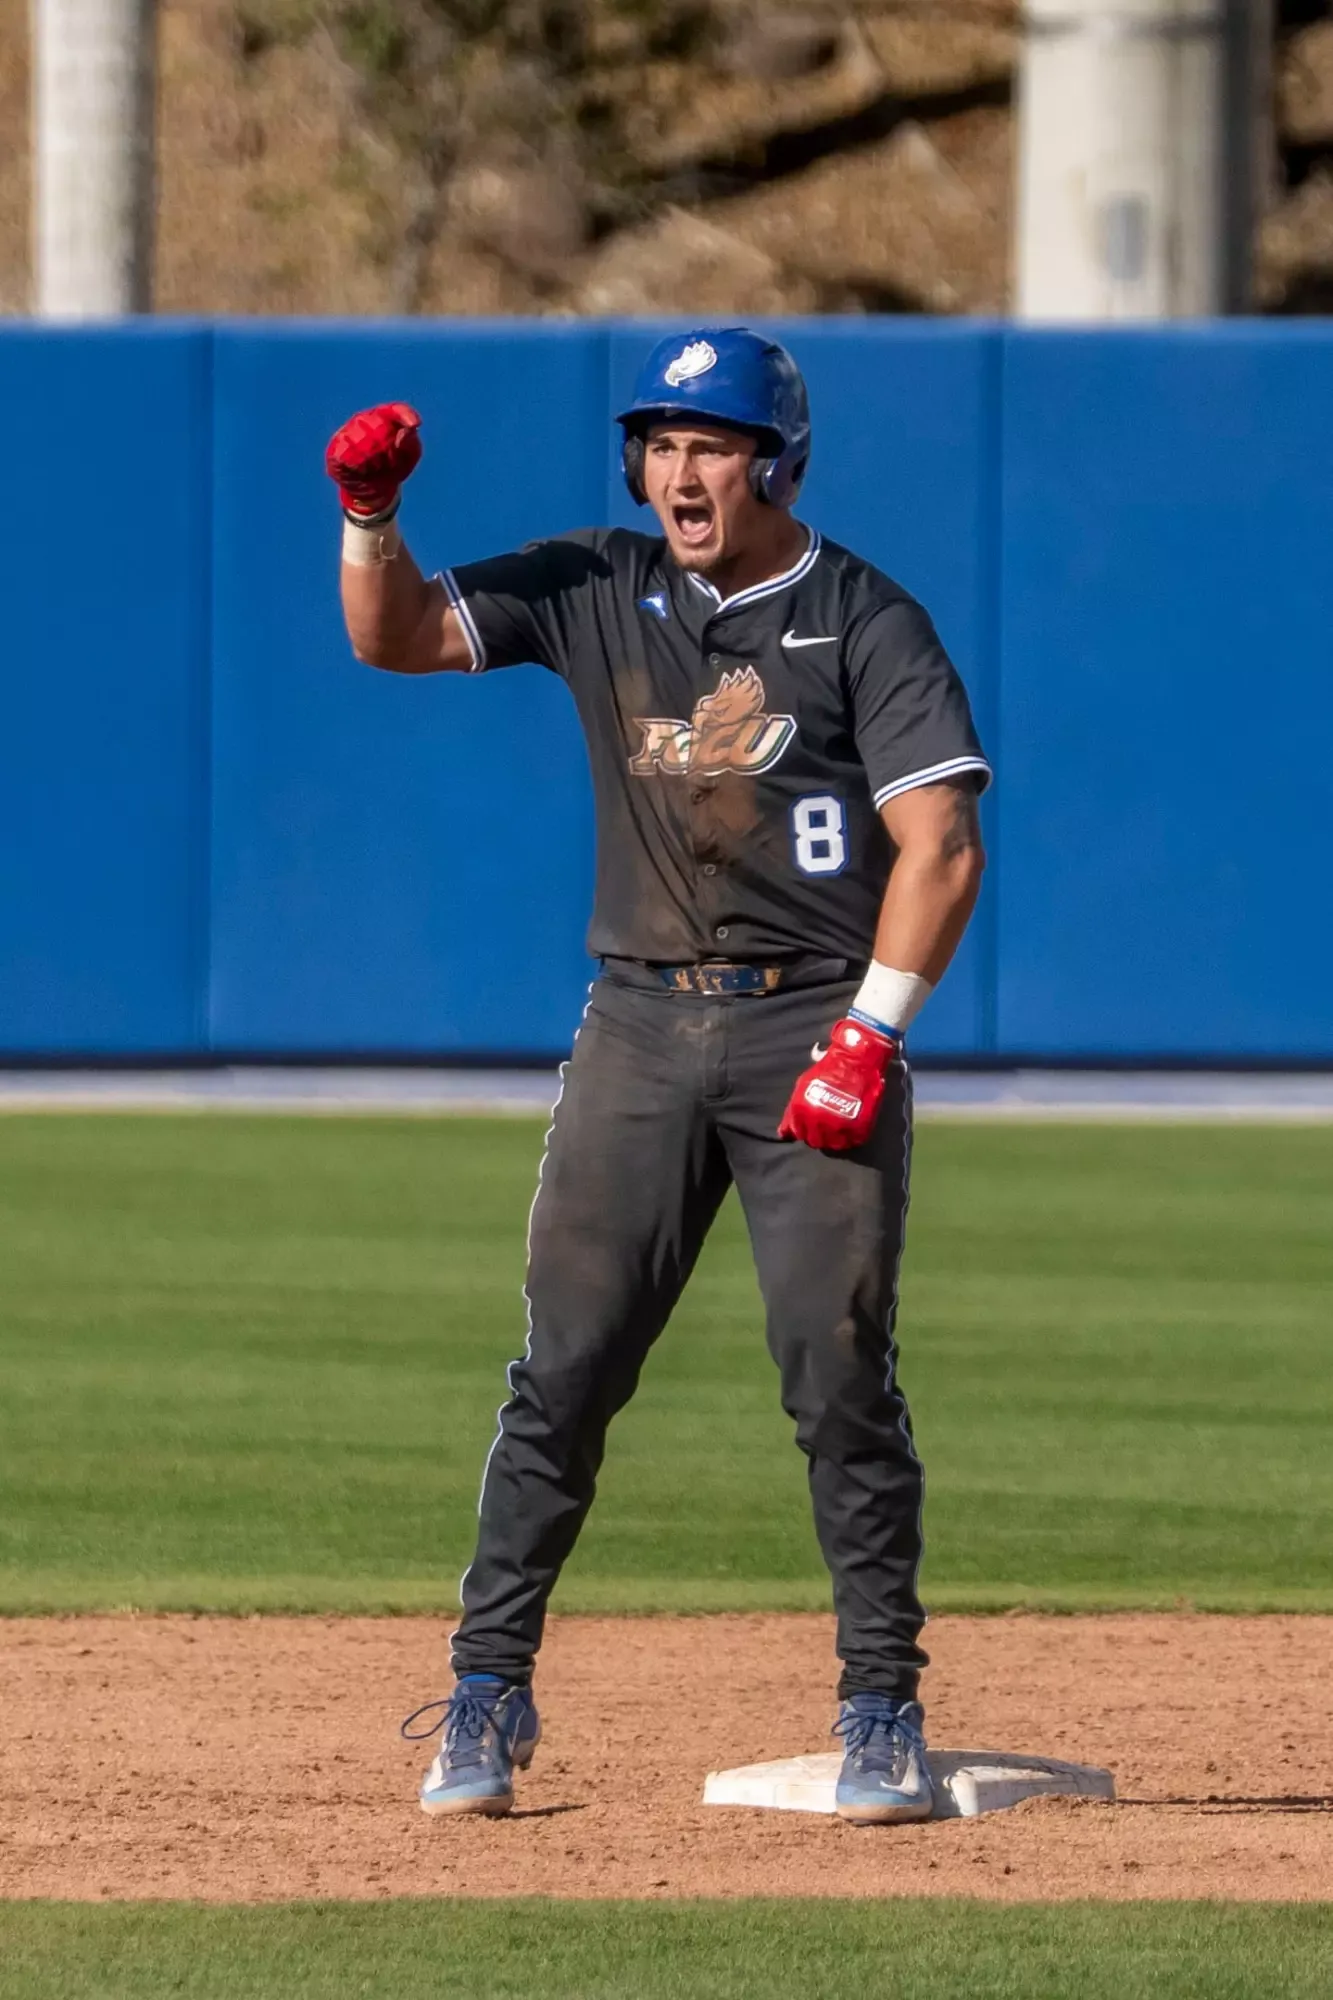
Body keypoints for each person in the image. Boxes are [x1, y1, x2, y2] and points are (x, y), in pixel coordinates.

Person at [326, 327, 990, 1825]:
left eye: (714, 443)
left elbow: (940, 847)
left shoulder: (861, 618)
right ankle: (486, 1695)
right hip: (637, 1023)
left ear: (777, 461)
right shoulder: (600, 584)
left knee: (836, 1377)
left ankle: (880, 1705)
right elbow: (396, 636)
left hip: (811, 1018)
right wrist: (370, 519)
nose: (682, 470)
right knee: (564, 1370)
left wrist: (870, 1036)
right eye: (662, 442)